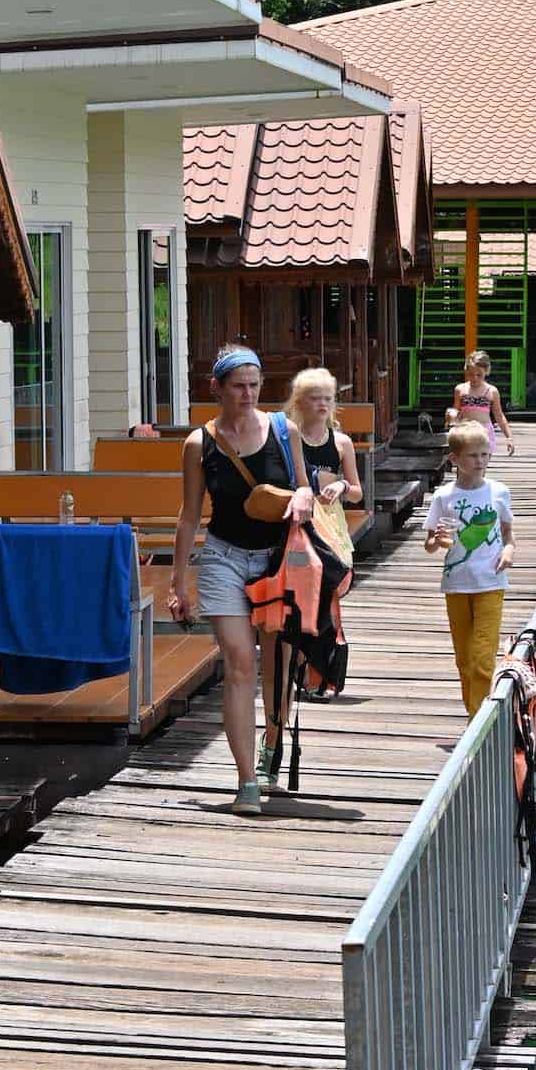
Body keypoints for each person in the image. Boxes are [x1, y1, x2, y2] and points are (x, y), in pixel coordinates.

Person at [169, 344, 314, 817]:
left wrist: (305, 498)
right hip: (224, 557)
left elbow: (304, 485)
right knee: (239, 663)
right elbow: (190, 516)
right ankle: (246, 780)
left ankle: (274, 741)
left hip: (277, 559)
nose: (248, 393)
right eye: (238, 386)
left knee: (277, 661)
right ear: (217, 388)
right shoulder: (199, 444)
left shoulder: (282, 429)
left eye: (254, 385)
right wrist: (178, 582)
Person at [425, 419, 515, 718]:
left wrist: (509, 551)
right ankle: (473, 715)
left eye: (485, 454)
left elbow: (508, 535)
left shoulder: (499, 491)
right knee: (464, 660)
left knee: (482, 659)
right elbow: (430, 544)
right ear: (455, 459)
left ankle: (478, 724)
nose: (480, 461)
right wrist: (436, 540)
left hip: (491, 581)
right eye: (473, 455)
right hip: (456, 583)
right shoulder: (444, 496)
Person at [286, 366, 363, 565]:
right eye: (315, 398)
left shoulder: (341, 442)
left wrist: (342, 485)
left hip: (331, 521)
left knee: (335, 577)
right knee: (300, 576)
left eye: (328, 398)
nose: (323, 404)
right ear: (299, 402)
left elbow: (357, 494)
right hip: (298, 522)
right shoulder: (287, 438)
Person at [446, 350, 515, 455]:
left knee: (481, 464)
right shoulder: (460, 389)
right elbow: (455, 413)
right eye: (471, 374)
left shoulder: (491, 391)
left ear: (486, 372)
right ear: (466, 371)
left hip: (484, 434)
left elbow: (499, 416)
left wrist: (509, 437)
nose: (475, 378)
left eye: (479, 375)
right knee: (465, 463)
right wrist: (450, 417)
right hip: (465, 433)